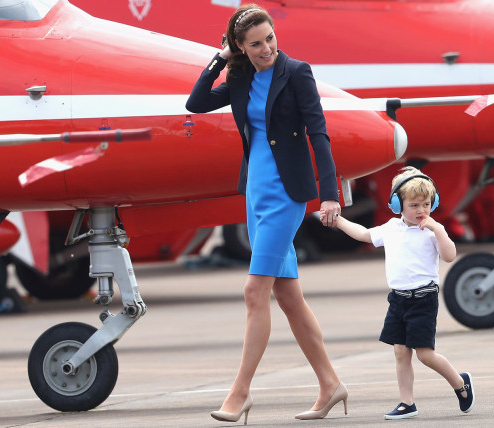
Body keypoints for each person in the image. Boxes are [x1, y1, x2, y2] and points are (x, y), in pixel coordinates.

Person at [185, 4, 346, 424]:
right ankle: (331, 385)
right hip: (256, 192)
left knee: (254, 292)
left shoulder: (297, 72)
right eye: (255, 44)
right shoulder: (239, 76)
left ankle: (239, 394)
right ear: (240, 46)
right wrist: (219, 60)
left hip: (287, 195)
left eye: (270, 39)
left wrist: (329, 194)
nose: (267, 49)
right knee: (288, 296)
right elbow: (197, 102)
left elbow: (319, 133)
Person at [329, 166, 474, 419]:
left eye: (427, 204)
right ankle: (407, 403)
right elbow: (364, 234)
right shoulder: (390, 228)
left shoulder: (431, 230)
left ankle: (460, 384)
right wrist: (339, 220)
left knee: (425, 355)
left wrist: (438, 230)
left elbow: (450, 256)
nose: (421, 211)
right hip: (398, 299)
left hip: (423, 298)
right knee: (400, 351)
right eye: (414, 205)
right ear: (397, 204)